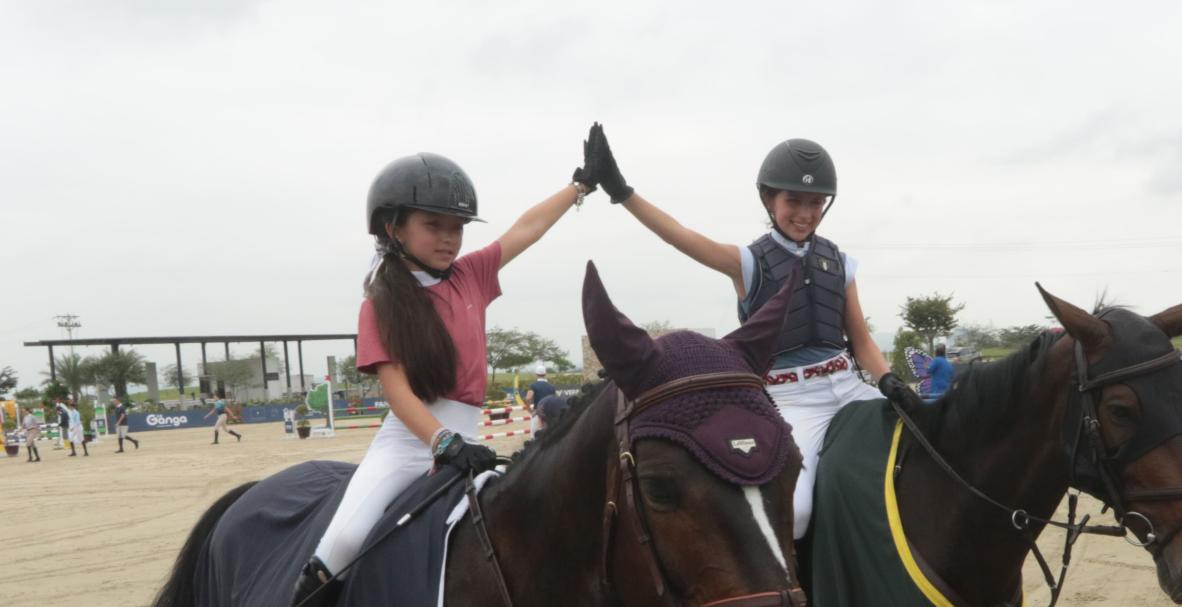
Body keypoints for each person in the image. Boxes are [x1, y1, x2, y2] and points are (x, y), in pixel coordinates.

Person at [290, 141, 599, 606]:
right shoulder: (380, 304)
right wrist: (443, 443)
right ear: (393, 227)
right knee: (344, 543)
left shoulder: (470, 274)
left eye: (456, 227)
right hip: (411, 443)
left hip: (468, 444)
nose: (449, 238)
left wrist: (579, 186)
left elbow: (527, 228)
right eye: (433, 226)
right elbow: (397, 393)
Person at [588, 124, 924, 539]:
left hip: (847, 384)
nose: (805, 212)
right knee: (797, 512)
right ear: (769, 199)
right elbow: (681, 236)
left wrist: (889, 381)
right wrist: (623, 193)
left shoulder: (840, 262)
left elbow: (862, 341)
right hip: (792, 399)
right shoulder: (748, 262)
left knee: (926, 448)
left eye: (815, 202)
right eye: (793, 201)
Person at [525, 364, 556, 434]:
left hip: (538, 413)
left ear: (536, 374)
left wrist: (529, 410)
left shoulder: (533, 385)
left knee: (534, 435)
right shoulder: (551, 386)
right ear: (545, 374)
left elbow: (528, 399)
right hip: (549, 414)